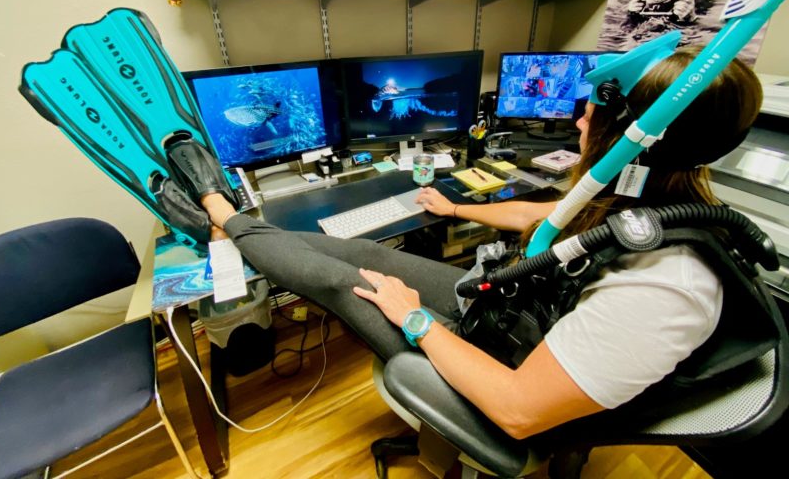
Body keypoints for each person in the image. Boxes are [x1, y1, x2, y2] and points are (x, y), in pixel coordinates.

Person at [196, 48, 762, 440]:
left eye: (589, 119)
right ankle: (231, 219)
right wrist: (455, 207)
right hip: (520, 320)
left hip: (511, 382)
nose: (580, 127)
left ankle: (217, 209)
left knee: (344, 284)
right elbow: (543, 213)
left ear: (627, 142)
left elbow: (518, 410)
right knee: (367, 256)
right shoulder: (641, 201)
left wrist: (415, 320)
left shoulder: (663, 286)